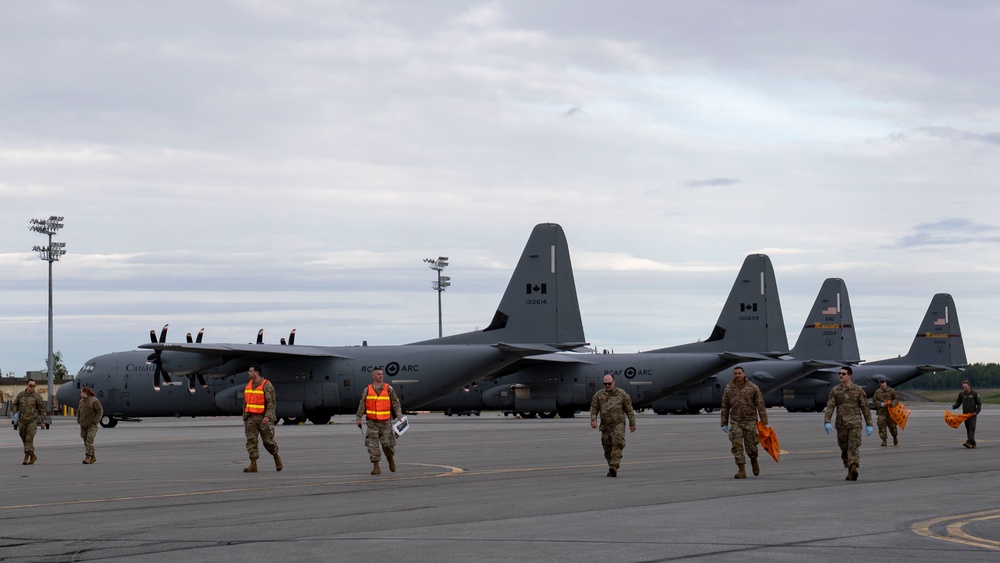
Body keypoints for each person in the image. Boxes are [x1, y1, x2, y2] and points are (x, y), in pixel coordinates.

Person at [823, 366, 873, 481]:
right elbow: (830, 407)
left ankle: (853, 468)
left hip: (855, 424)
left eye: (843, 374)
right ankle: (849, 468)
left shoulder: (858, 390)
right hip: (841, 425)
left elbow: (865, 408)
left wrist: (869, 424)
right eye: (839, 373)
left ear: (849, 375)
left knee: (853, 447)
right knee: (844, 448)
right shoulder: (835, 391)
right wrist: (827, 421)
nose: (841, 375)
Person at [720, 366, 769, 479]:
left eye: (739, 373)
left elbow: (760, 405)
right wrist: (724, 423)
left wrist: (764, 422)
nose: (737, 375)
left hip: (750, 421)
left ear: (744, 374)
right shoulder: (729, 389)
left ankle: (754, 460)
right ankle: (741, 470)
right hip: (735, 421)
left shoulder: (752, 388)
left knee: (751, 446)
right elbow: (725, 406)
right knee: (736, 446)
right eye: (735, 374)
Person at [356, 368, 404, 475]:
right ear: (373, 376)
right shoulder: (367, 389)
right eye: (378, 374)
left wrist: (399, 416)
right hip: (372, 423)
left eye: (382, 374)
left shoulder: (389, 389)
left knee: (387, 444)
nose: (381, 376)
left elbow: (395, 403)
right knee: (372, 445)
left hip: (385, 422)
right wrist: (358, 418)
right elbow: (362, 404)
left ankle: (390, 458)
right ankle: (376, 467)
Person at [589, 373, 636, 477]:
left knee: (617, 444)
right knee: (607, 448)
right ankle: (611, 467)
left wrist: (632, 423)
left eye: (609, 384)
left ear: (614, 382)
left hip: (618, 424)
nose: (607, 386)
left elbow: (629, 410)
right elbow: (594, 408)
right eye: (605, 384)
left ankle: (614, 465)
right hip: (605, 426)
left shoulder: (622, 394)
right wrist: (593, 420)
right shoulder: (599, 395)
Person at [242, 364, 282, 472]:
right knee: (251, 441)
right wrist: (245, 417)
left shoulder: (267, 385)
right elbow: (246, 403)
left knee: (268, 441)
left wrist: (268, 416)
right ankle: (253, 464)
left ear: (257, 373)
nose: (248, 373)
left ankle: (276, 457)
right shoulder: (248, 385)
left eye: (251, 371)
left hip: (263, 418)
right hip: (251, 418)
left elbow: (271, 403)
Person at [13, 379, 47, 465]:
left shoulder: (37, 396)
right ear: (26, 385)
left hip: (32, 421)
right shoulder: (21, 395)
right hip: (22, 421)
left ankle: (26, 457)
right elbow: (15, 404)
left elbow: (42, 410)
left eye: (33, 386)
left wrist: (43, 422)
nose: (32, 388)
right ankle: (32, 455)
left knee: (29, 439)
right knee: (23, 437)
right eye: (30, 386)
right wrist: (15, 412)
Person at [77, 386, 104, 464]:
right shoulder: (81, 401)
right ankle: (93, 456)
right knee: (85, 439)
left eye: (81, 392)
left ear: (85, 393)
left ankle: (88, 457)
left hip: (92, 424)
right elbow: (79, 411)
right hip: (83, 424)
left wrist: (95, 421)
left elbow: (100, 411)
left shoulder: (94, 401)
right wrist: (79, 420)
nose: (80, 393)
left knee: (89, 440)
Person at [952, 380, 982, 449]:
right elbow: (958, 403)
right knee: (968, 429)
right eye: (964, 388)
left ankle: (968, 442)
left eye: (966, 387)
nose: (965, 389)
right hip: (965, 415)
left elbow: (979, 404)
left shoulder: (975, 394)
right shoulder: (962, 394)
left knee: (972, 428)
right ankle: (973, 443)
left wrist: (976, 412)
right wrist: (952, 407)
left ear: (969, 386)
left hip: (972, 415)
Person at [871, 378, 899, 447]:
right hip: (882, 412)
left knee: (892, 426)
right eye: (882, 386)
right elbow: (874, 401)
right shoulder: (877, 392)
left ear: (886, 384)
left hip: (890, 412)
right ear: (880, 386)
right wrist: (880, 404)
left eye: (884, 385)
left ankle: (894, 436)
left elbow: (897, 399)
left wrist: (891, 403)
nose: (883, 387)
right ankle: (884, 440)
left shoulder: (892, 391)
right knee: (881, 425)